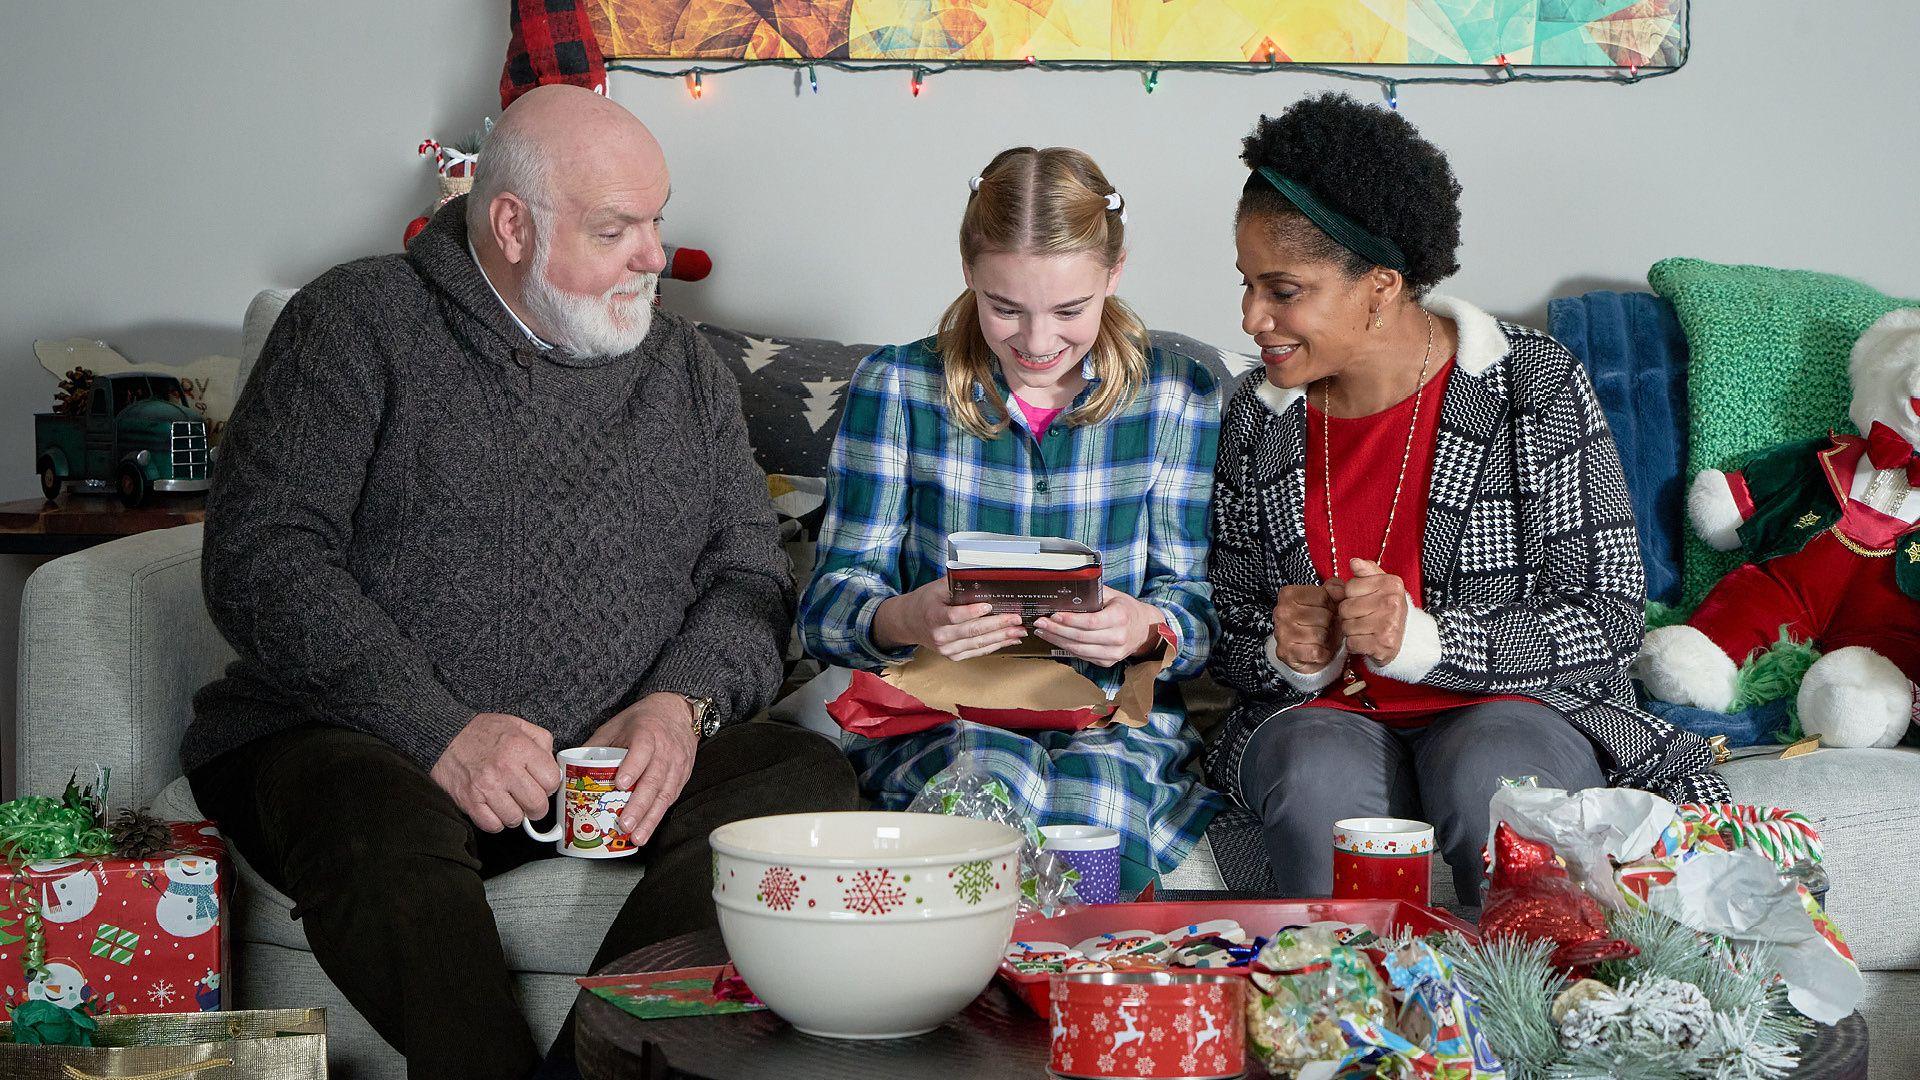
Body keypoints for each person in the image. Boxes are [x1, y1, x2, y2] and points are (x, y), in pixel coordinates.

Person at [181, 85, 857, 1080]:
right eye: (616, 230)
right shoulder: (356, 323)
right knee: (375, 828)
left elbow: (750, 575)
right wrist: (436, 728)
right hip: (373, 744)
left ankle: (597, 1065)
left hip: (602, 780)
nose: (654, 256)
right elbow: (262, 557)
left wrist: (680, 706)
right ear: (511, 226)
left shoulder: (684, 369)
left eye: (657, 221)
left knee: (804, 781)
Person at [1206, 93, 1728, 904]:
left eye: (1283, 290)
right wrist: (1288, 652)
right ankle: (1341, 982)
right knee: (1312, 781)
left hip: (1514, 706)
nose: (1251, 318)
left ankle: (1531, 983)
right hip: (1327, 723)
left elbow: (1607, 616)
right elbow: (1230, 628)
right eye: (1247, 286)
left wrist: (1423, 640)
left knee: (1495, 775)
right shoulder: (1257, 417)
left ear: (1381, 287)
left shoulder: (1532, 385)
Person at [798, 147, 1225, 882]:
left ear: (1114, 274)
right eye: (1005, 309)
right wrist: (905, 617)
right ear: (968, 271)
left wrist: (1144, 628)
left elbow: (1198, 610)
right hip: (945, 712)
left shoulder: (1177, 395)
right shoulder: (898, 385)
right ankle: (966, 949)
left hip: (1112, 718)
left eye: (1070, 311)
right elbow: (826, 609)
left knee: (1095, 812)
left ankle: (1083, 953)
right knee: (990, 787)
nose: (1037, 341)